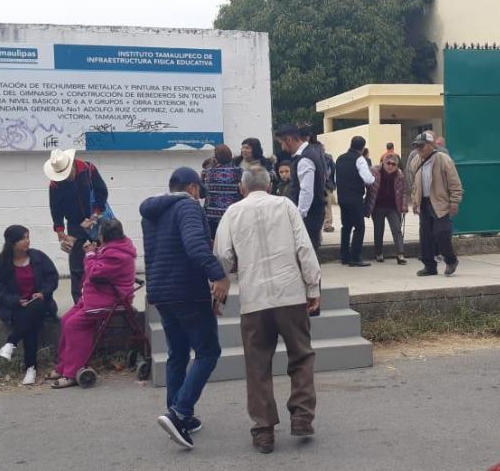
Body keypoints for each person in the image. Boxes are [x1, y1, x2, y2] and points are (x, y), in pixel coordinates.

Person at [214, 166, 321, 454]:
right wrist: (313, 287)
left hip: (254, 300)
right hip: (290, 295)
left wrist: (219, 289)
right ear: (270, 186)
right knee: (301, 355)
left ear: (242, 187)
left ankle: (263, 431)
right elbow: (304, 248)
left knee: (257, 365)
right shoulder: (285, 205)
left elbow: (222, 257)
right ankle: (301, 417)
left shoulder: (232, 213)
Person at [140, 167, 231, 450]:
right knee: (208, 352)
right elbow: (195, 246)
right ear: (192, 188)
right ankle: (179, 413)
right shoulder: (187, 208)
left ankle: (177, 412)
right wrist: (218, 276)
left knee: (177, 354)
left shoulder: (152, 213)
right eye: (199, 191)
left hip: (162, 293)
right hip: (188, 292)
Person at [48, 219, 137, 389]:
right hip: (98, 296)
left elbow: (95, 272)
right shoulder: (114, 248)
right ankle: (62, 366)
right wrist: (94, 252)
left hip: (112, 300)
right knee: (66, 319)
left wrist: (89, 254)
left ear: (104, 236)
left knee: (75, 325)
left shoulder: (117, 254)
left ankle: (71, 372)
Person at [0, 225, 59, 386]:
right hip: (15, 307)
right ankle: (30, 369)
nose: (28, 241)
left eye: (28, 237)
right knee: (30, 324)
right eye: (23, 238)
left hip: (39, 302)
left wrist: (43, 292)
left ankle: (11, 343)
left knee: (35, 308)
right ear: (12, 243)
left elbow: (52, 278)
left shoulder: (38, 257)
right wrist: (15, 300)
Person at [45, 148, 109, 304]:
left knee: (103, 260)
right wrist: (60, 230)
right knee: (77, 266)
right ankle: (79, 302)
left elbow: (101, 191)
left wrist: (95, 214)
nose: (65, 178)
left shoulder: (88, 169)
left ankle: (104, 299)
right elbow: (55, 208)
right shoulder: (55, 184)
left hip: (97, 220)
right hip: (74, 225)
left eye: (67, 174)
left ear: (71, 164)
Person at [408, 131, 464, 277]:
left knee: (442, 233)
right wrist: (415, 201)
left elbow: (455, 183)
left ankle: (451, 261)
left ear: (431, 145)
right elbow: (414, 185)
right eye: (416, 146)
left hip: (440, 202)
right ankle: (429, 266)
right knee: (425, 236)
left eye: (421, 146)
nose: (418, 149)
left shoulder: (443, 159)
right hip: (424, 202)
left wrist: (455, 202)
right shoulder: (415, 161)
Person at [275, 124, 327, 251]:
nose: (281, 147)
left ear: (289, 140)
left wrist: (299, 215)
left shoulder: (305, 159)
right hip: (313, 213)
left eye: (281, 143)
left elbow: (306, 191)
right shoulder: (310, 152)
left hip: (310, 215)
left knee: (307, 255)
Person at [335, 136, 375, 267]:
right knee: (359, 227)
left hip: (342, 198)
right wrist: (374, 179)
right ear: (363, 148)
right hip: (355, 198)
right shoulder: (360, 159)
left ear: (350, 144)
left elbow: (336, 178)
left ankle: (344, 256)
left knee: (345, 227)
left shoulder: (340, 158)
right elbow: (368, 179)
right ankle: (355, 257)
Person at [365, 153, 408, 265]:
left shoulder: (399, 175)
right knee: (378, 230)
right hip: (378, 206)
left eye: (393, 164)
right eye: (388, 163)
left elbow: (403, 192)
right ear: (383, 162)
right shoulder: (374, 171)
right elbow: (367, 185)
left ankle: (400, 254)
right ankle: (378, 253)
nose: (390, 166)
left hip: (393, 207)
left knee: (397, 229)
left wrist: (404, 206)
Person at [203, 144, 243, 240]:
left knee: (215, 244)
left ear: (216, 158)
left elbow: (204, 191)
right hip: (232, 215)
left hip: (212, 217)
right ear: (230, 156)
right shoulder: (238, 171)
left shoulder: (209, 172)